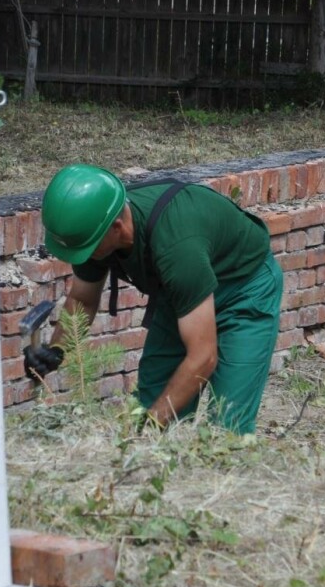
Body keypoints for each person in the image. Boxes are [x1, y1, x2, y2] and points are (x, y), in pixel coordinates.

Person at [24, 164, 283, 434]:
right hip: (181, 295)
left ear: (117, 227)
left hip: (244, 290)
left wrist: (151, 427)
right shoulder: (94, 231)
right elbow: (83, 300)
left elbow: (203, 357)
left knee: (228, 423)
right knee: (152, 397)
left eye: (85, 249)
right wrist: (54, 353)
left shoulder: (176, 247)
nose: (81, 258)